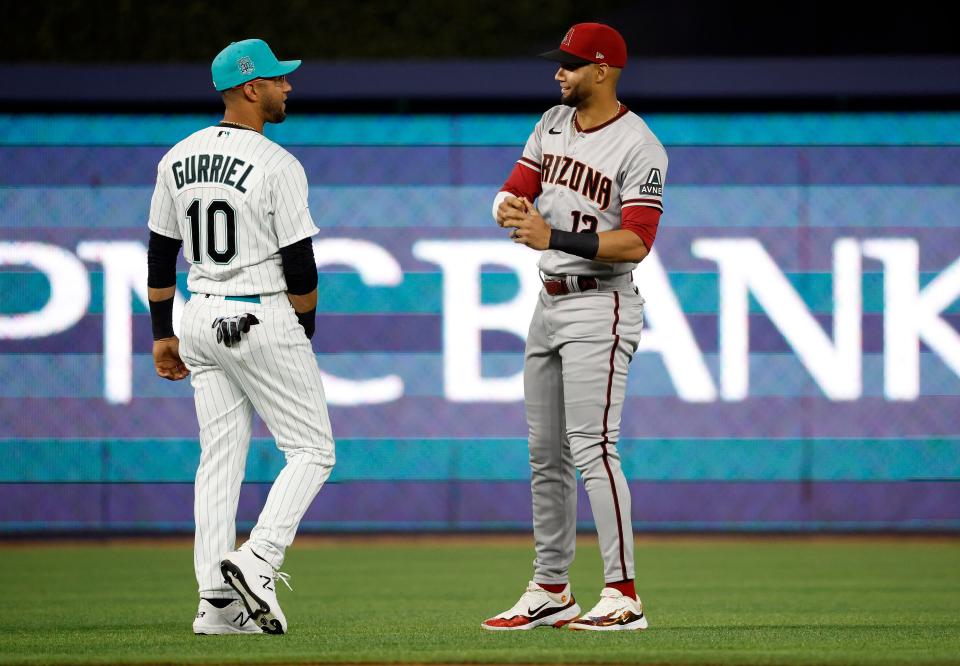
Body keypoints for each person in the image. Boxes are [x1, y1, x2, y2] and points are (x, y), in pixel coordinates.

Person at [146, 38, 335, 635]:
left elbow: (160, 254)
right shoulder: (278, 163)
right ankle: (258, 559)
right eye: (278, 79)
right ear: (250, 87)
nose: (287, 87)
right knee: (312, 450)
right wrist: (301, 327)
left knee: (219, 458)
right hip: (260, 308)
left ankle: (215, 604)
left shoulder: (177, 156)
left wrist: (160, 334)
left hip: (199, 314)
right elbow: (301, 267)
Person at [481, 23, 667, 632]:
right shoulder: (552, 123)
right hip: (549, 302)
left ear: (603, 70)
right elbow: (517, 188)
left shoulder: (640, 146)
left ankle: (623, 593)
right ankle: (552, 587)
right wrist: (505, 205)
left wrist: (552, 235)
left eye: (569, 64)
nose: (558, 73)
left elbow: (636, 242)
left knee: (593, 448)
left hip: (601, 304)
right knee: (546, 455)